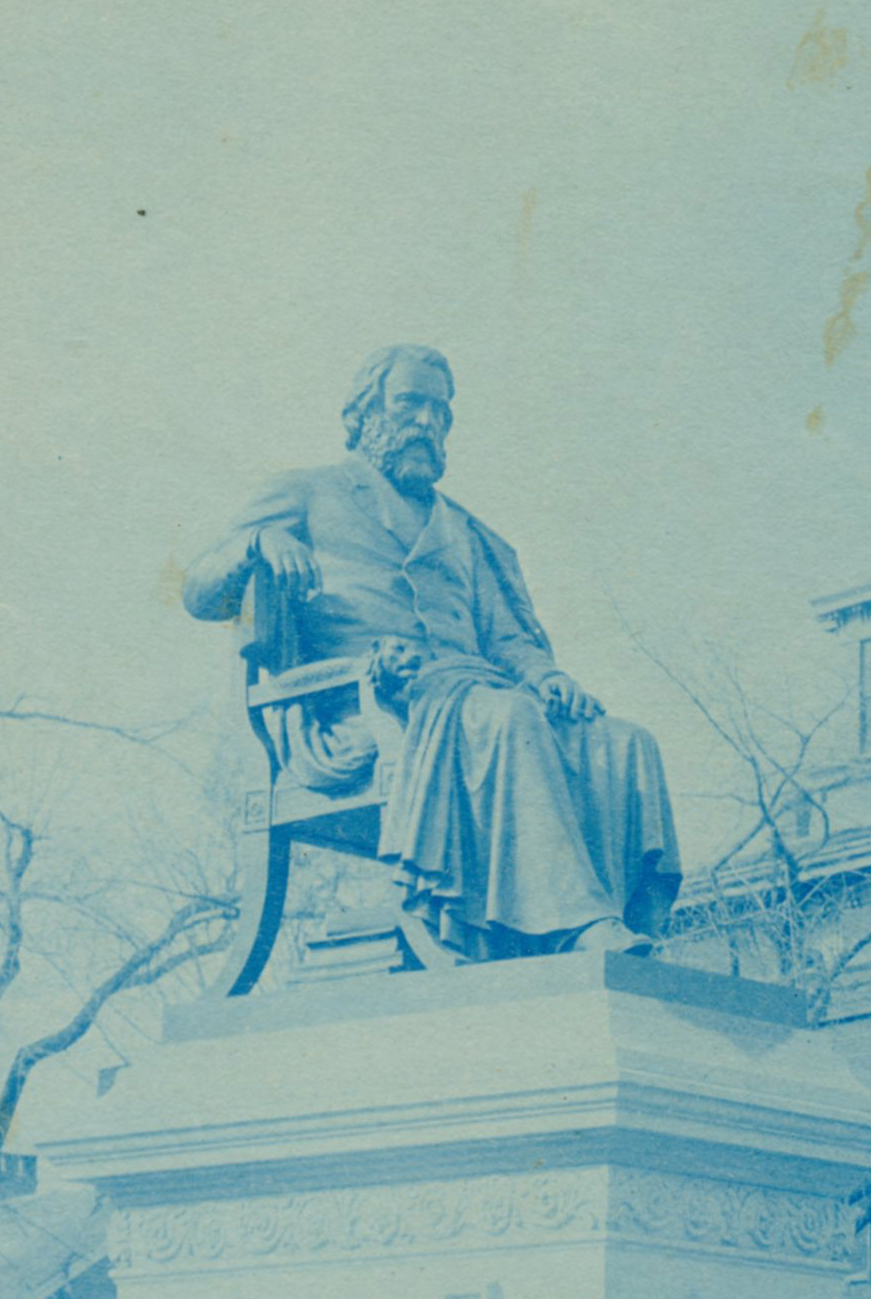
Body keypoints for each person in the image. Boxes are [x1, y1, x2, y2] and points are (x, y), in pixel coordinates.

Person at [181, 345, 683, 960]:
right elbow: (198, 591)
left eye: (440, 411)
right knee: (508, 719)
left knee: (623, 743)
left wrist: (546, 674)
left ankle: (626, 931)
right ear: (367, 412)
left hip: (473, 694)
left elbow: (505, 640)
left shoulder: (467, 530)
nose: (427, 421)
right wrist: (255, 542)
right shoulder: (308, 492)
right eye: (410, 403)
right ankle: (576, 928)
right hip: (364, 705)